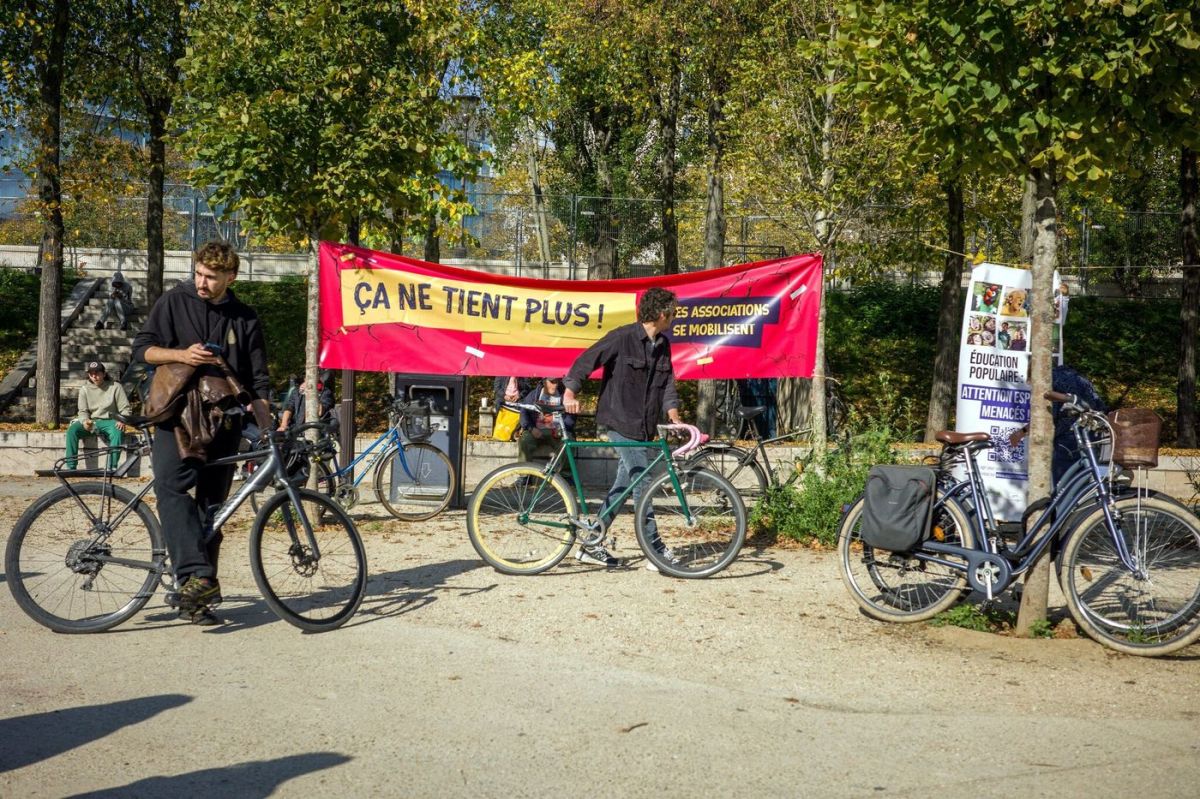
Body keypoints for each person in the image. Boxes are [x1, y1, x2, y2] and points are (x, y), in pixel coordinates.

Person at [132, 240, 271, 625]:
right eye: (198, 273)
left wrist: (268, 422)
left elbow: (258, 379)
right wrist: (181, 355)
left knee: (213, 510)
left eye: (210, 277)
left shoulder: (245, 317)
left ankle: (198, 600)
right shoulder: (174, 301)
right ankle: (200, 575)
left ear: (231, 276)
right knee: (172, 488)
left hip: (223, 421)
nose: (201, 282)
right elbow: (141, 350)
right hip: (176, 416)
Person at [563, 287, 682, 569]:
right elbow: (585, 361)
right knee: (643, 481)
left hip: (644, 427)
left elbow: (667, 385)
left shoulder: (663, 345)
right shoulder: (622, 337)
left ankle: (591, 543)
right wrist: (569, 393)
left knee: (624, 484)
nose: (675, 317)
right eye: (674, 312)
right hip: (618, 420)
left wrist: (674, 414)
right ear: (663, 313)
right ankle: (655, 551)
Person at [1009, 364, 1106, 487]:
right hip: (1092, 432)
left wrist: (1020, 433)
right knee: (1081, 479)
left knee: (1063, 483)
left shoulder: (1050, 383)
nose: (1030, 384)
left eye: (1030, 380)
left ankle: (1064, 505)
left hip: (1070, 436)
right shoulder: (1074, 376)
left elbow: (1046, 418)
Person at [64, 361, 131, 471]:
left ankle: (112, 467)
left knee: (118, 431)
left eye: (97, 373)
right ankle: (71, 467)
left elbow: (125, 408)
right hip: (93, 422)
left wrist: (122, 420)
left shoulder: (115, 387)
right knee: (72, 431)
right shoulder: (84, 389)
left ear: (104, 374)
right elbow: (82, 411)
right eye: (91, 373)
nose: (94, 376)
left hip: (111, 421)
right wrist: (85, 421)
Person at [517, 377, 575, 465]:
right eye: (551, 382)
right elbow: (524, 412)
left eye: (557, 382)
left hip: (557, 432)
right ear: (544, 382)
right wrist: (531, 428)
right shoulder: (534, 395)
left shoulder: (563, 396)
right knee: (525, 440)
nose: (555, 385)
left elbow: (571, 416)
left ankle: (565, 475)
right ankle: (524, 476)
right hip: (537, 430)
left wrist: (562, 429)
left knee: (569, 441)